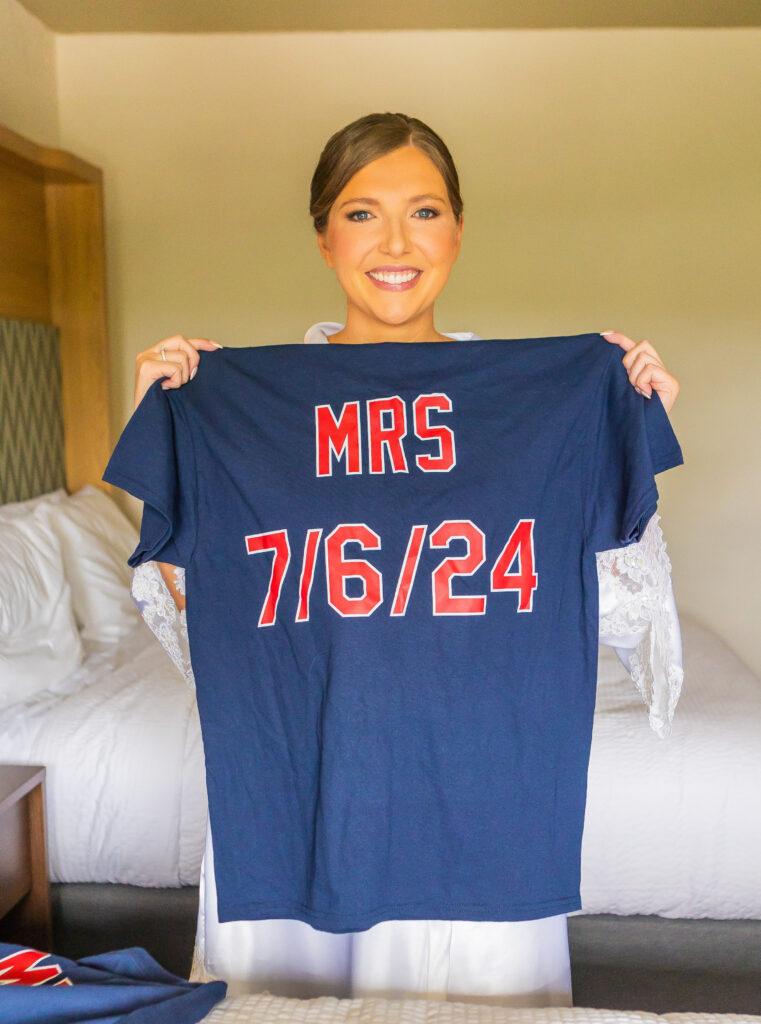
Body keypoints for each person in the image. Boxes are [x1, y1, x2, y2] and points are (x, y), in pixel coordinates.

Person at [125, 112, 683, 1006]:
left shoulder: (538, 407)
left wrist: (615, 425)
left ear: (458, 229)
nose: (394, 242)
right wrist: (175, 430)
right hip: (301, 805)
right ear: (321, 236)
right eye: (359, 213)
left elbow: (618, 619)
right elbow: (212, 638)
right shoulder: (238, 409)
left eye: (422, 212)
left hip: (482, 808)